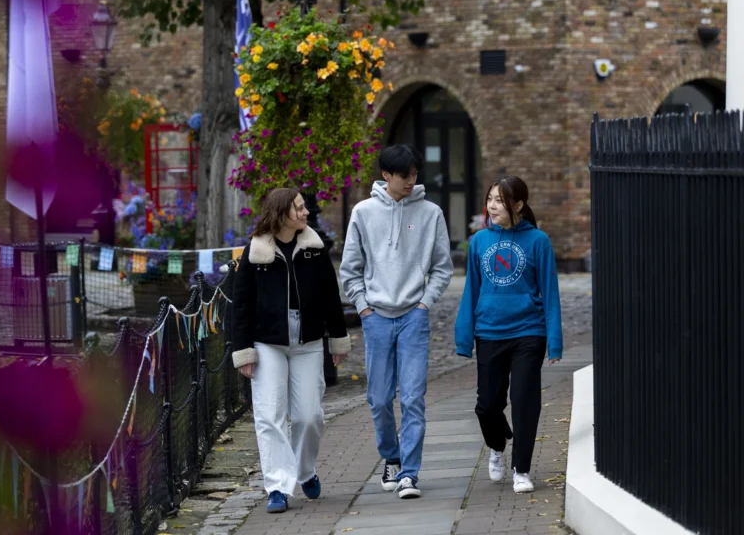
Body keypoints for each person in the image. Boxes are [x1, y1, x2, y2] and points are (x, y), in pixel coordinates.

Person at [339, 144, 453, 500]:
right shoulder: (363, 212)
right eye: (404, 175)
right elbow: (349, 269)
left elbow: (442, 267)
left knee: (414, 397)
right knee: (378, 398)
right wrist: (363, 307)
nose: (411, 180)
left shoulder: (431, 213)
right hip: (376, 318)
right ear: (386, 175)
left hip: (413, 318)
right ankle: (390, 455)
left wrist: (424, 304)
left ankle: (409, 473)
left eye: (415, 174)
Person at [231, 188, 351, 514]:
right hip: (267, 344)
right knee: (270, 416)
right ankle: (277, 487)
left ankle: (305, 470)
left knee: (309, 416)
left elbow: (331, 297)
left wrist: (337, 340)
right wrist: (244, 351)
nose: (305, 212)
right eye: (299, 208)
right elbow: (240, 306)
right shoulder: (256, 254)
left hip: (309, 344)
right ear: (282, 213)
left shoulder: (315, 249)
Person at [454, 175, 563, 494]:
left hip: (529, 331)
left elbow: (550, 292)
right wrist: (464, 337)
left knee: (525, 400)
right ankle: (497, 445)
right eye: (489, 199)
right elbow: (471, 291)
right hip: (489, 332)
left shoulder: (538, 241)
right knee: (487, 405)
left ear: (518, 205)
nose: (492, 206)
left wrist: (554, 341)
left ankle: (522, 469)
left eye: (499, 201)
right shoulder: (478, 242)